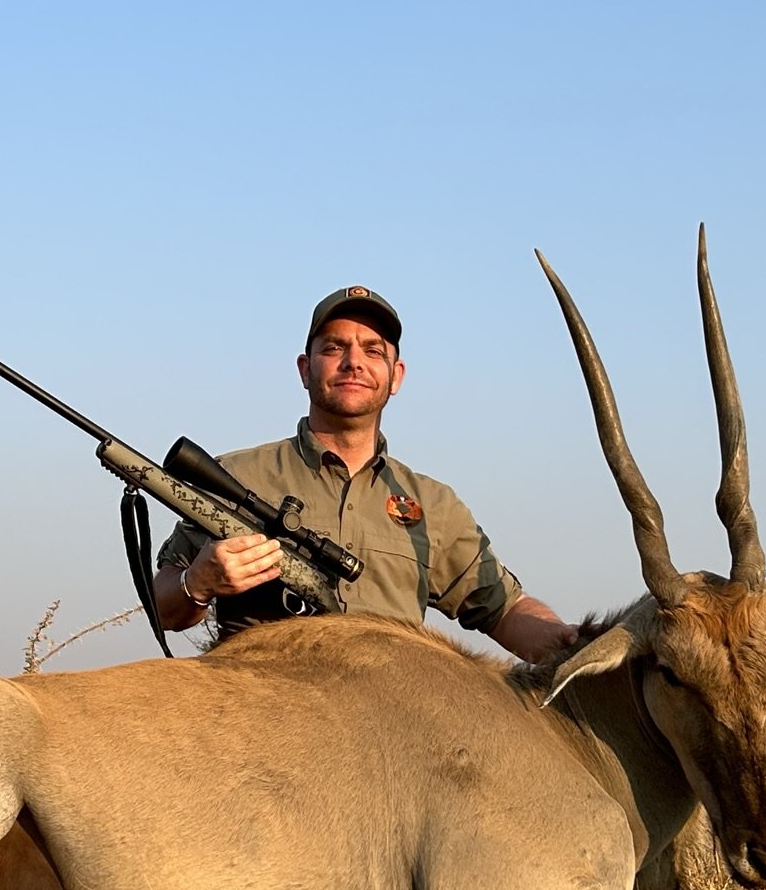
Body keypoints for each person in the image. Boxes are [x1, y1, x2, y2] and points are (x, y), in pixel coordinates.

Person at [151, 285, 580, 664]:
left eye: (373, 351)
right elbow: (164, 605)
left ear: (396, 376)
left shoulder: (435, 505)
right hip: (261, 727)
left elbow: (504, 609)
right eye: (334, 348)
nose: (353, 362)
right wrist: (198, 583)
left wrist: (570, 642)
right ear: (305, 369)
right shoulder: (234, 476)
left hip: (391, 733)